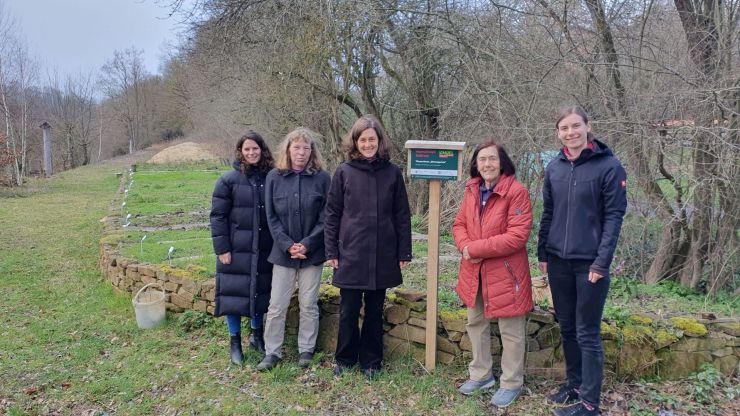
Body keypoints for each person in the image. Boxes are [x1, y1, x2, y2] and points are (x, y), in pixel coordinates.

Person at [538, 106, 627, 416]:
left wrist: (601, 264)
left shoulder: (609, 166)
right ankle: (573, 386)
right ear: (558, 133)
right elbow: (548, 213)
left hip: (590, 264)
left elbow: (614, 217)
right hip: (558, 261)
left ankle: (590, 403)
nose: (570, 132)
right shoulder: (555, 167)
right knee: (567, 328)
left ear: (588, 127)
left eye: (576, 126)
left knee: (587, 331)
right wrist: (542, 253)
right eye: (564, 128)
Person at [324, 115, 412, 378]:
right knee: (349, 311)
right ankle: (345, 359)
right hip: (350, 252)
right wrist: (331, 251)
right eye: (363, 140)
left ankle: (371, 362)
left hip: (383, 252)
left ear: (379, 140)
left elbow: (402, 215)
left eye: (372, 139)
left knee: (374, 311)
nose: (367, 144)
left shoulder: (392, 173)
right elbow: (332, 214)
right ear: (355, 142)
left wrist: (403, 250)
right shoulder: (343, 172)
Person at [452, 140, 534, 408]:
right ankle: (481, 375)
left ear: (503, 162)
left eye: (492, 159)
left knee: (511, 330)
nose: (487, 164)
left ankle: (511, 383)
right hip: (474, 271)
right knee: (475, 323)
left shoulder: (517, 192)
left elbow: (517, 236)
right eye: (482, 159)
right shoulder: (472, 190)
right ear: (476, 164)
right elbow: (459, 223)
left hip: (506, 274)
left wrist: (475, 248)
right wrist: (464, 246)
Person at [257, 127, 331, 371]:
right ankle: (272, 353)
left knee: (308, 304)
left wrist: (307, 243)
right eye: (297, 147)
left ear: (312, 152)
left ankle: (306, 350)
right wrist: (288, 245)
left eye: (306, 148)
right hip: (282, 253)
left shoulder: (322, 179)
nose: (301, 152)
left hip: (312, 254)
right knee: (277, 305)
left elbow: (326, 217)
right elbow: (271, 217)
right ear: (288, 149)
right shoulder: (274, 178)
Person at [210, 131, 275, 365]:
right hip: (236, 249)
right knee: (234, 295)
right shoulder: (227, 180)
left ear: (262, 149)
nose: (251, 153)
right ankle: (235, 341)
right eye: (247, 149)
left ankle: (257, 336)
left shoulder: (271, 177)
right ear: (240, 152)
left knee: (260, 291)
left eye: (255, 149)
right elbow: (218, 216)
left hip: (265, 248)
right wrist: (222, 248)